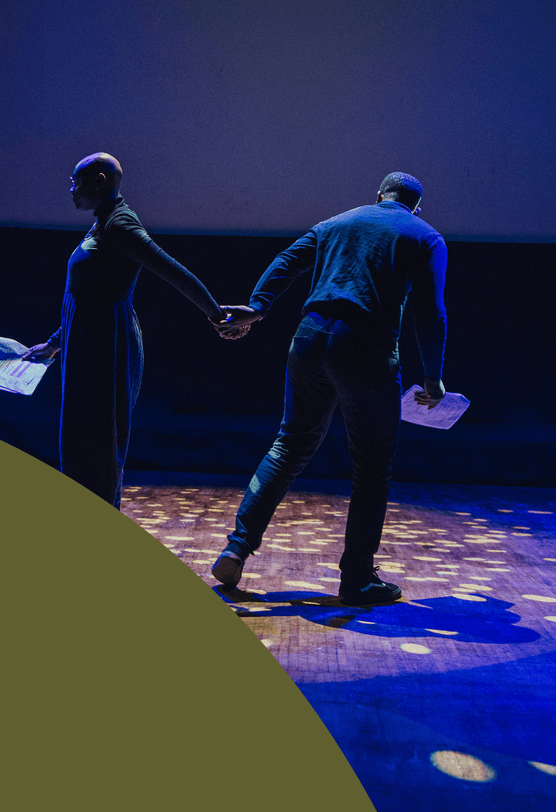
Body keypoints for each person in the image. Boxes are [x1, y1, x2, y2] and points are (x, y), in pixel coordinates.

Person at [211, 172, 447, 605]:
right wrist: (432, 379)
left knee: (288, 446)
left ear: (378, 196)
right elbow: (431, 314)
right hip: (366, 348)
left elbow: (286, 261)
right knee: (372, 466)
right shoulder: (425, 235)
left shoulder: (335, 222)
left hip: (309, 338)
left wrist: (259, 306)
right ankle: (357, 578)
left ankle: (237, 547)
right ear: (415, 206)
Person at [24, 153, 225, 508]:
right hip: (86, 344)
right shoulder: (103, 221)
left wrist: (216, 314)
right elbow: (88, 296)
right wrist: (56, 343)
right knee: (81, 442)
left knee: (98, 446)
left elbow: (171, 270)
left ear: (99, 181)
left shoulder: (120, 225)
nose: (71, 189)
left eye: (76, 181)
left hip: (106, 348)